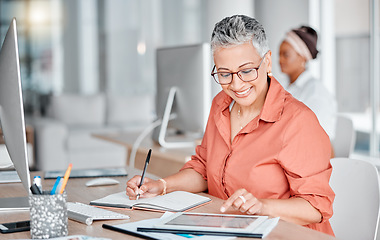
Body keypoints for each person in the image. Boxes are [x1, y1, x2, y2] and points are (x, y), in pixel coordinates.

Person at [126, 15, 335, 236]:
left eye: (246, 71)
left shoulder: (297, 120)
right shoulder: (220, 105)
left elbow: (316, 207)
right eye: (225, 74)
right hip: (233, 230)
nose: (236, 84)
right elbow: (203, 169)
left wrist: (262, 206)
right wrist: (161, 186)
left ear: (267, 62)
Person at [279, 26, 337, 157]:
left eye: (285, 55)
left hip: (312, 157)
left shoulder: (316, 93)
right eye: (279, 54)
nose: (279, 60)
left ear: (302, 58)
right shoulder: (285, 87)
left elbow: (316, 139)